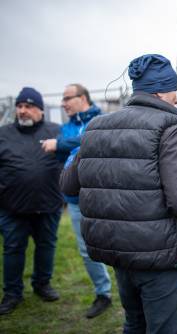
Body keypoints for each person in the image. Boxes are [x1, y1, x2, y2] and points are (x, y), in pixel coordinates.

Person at [60, 54, 177, 333]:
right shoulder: (171, 126)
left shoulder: (95, 127)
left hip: (119, 253)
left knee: (135, 323)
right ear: (162, 90)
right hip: (160, 255)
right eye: (174, 92)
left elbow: (68, 184)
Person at [41, 83, 112, 319]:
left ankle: (134, 290)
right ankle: (104, 293)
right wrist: (66, 146)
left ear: (83, 98)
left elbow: (91, 140)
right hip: (74, 200)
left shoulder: (101, 120)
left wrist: (60, 145)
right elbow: (69, 151)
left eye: (67, 98)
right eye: (62, 99)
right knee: (86, 250)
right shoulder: (67, 128)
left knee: (118, 243)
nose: (63, 103)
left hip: (103, 195)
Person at [0, 87, 63, 315]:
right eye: (19, 106)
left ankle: (42, 284)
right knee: (13, 249)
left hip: (48, 205)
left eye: (28, 106)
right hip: (12, 207)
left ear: (40, 110)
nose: (23, 111)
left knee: (46, 247)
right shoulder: (3, 133)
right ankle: (12, 293)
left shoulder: (56, 131)